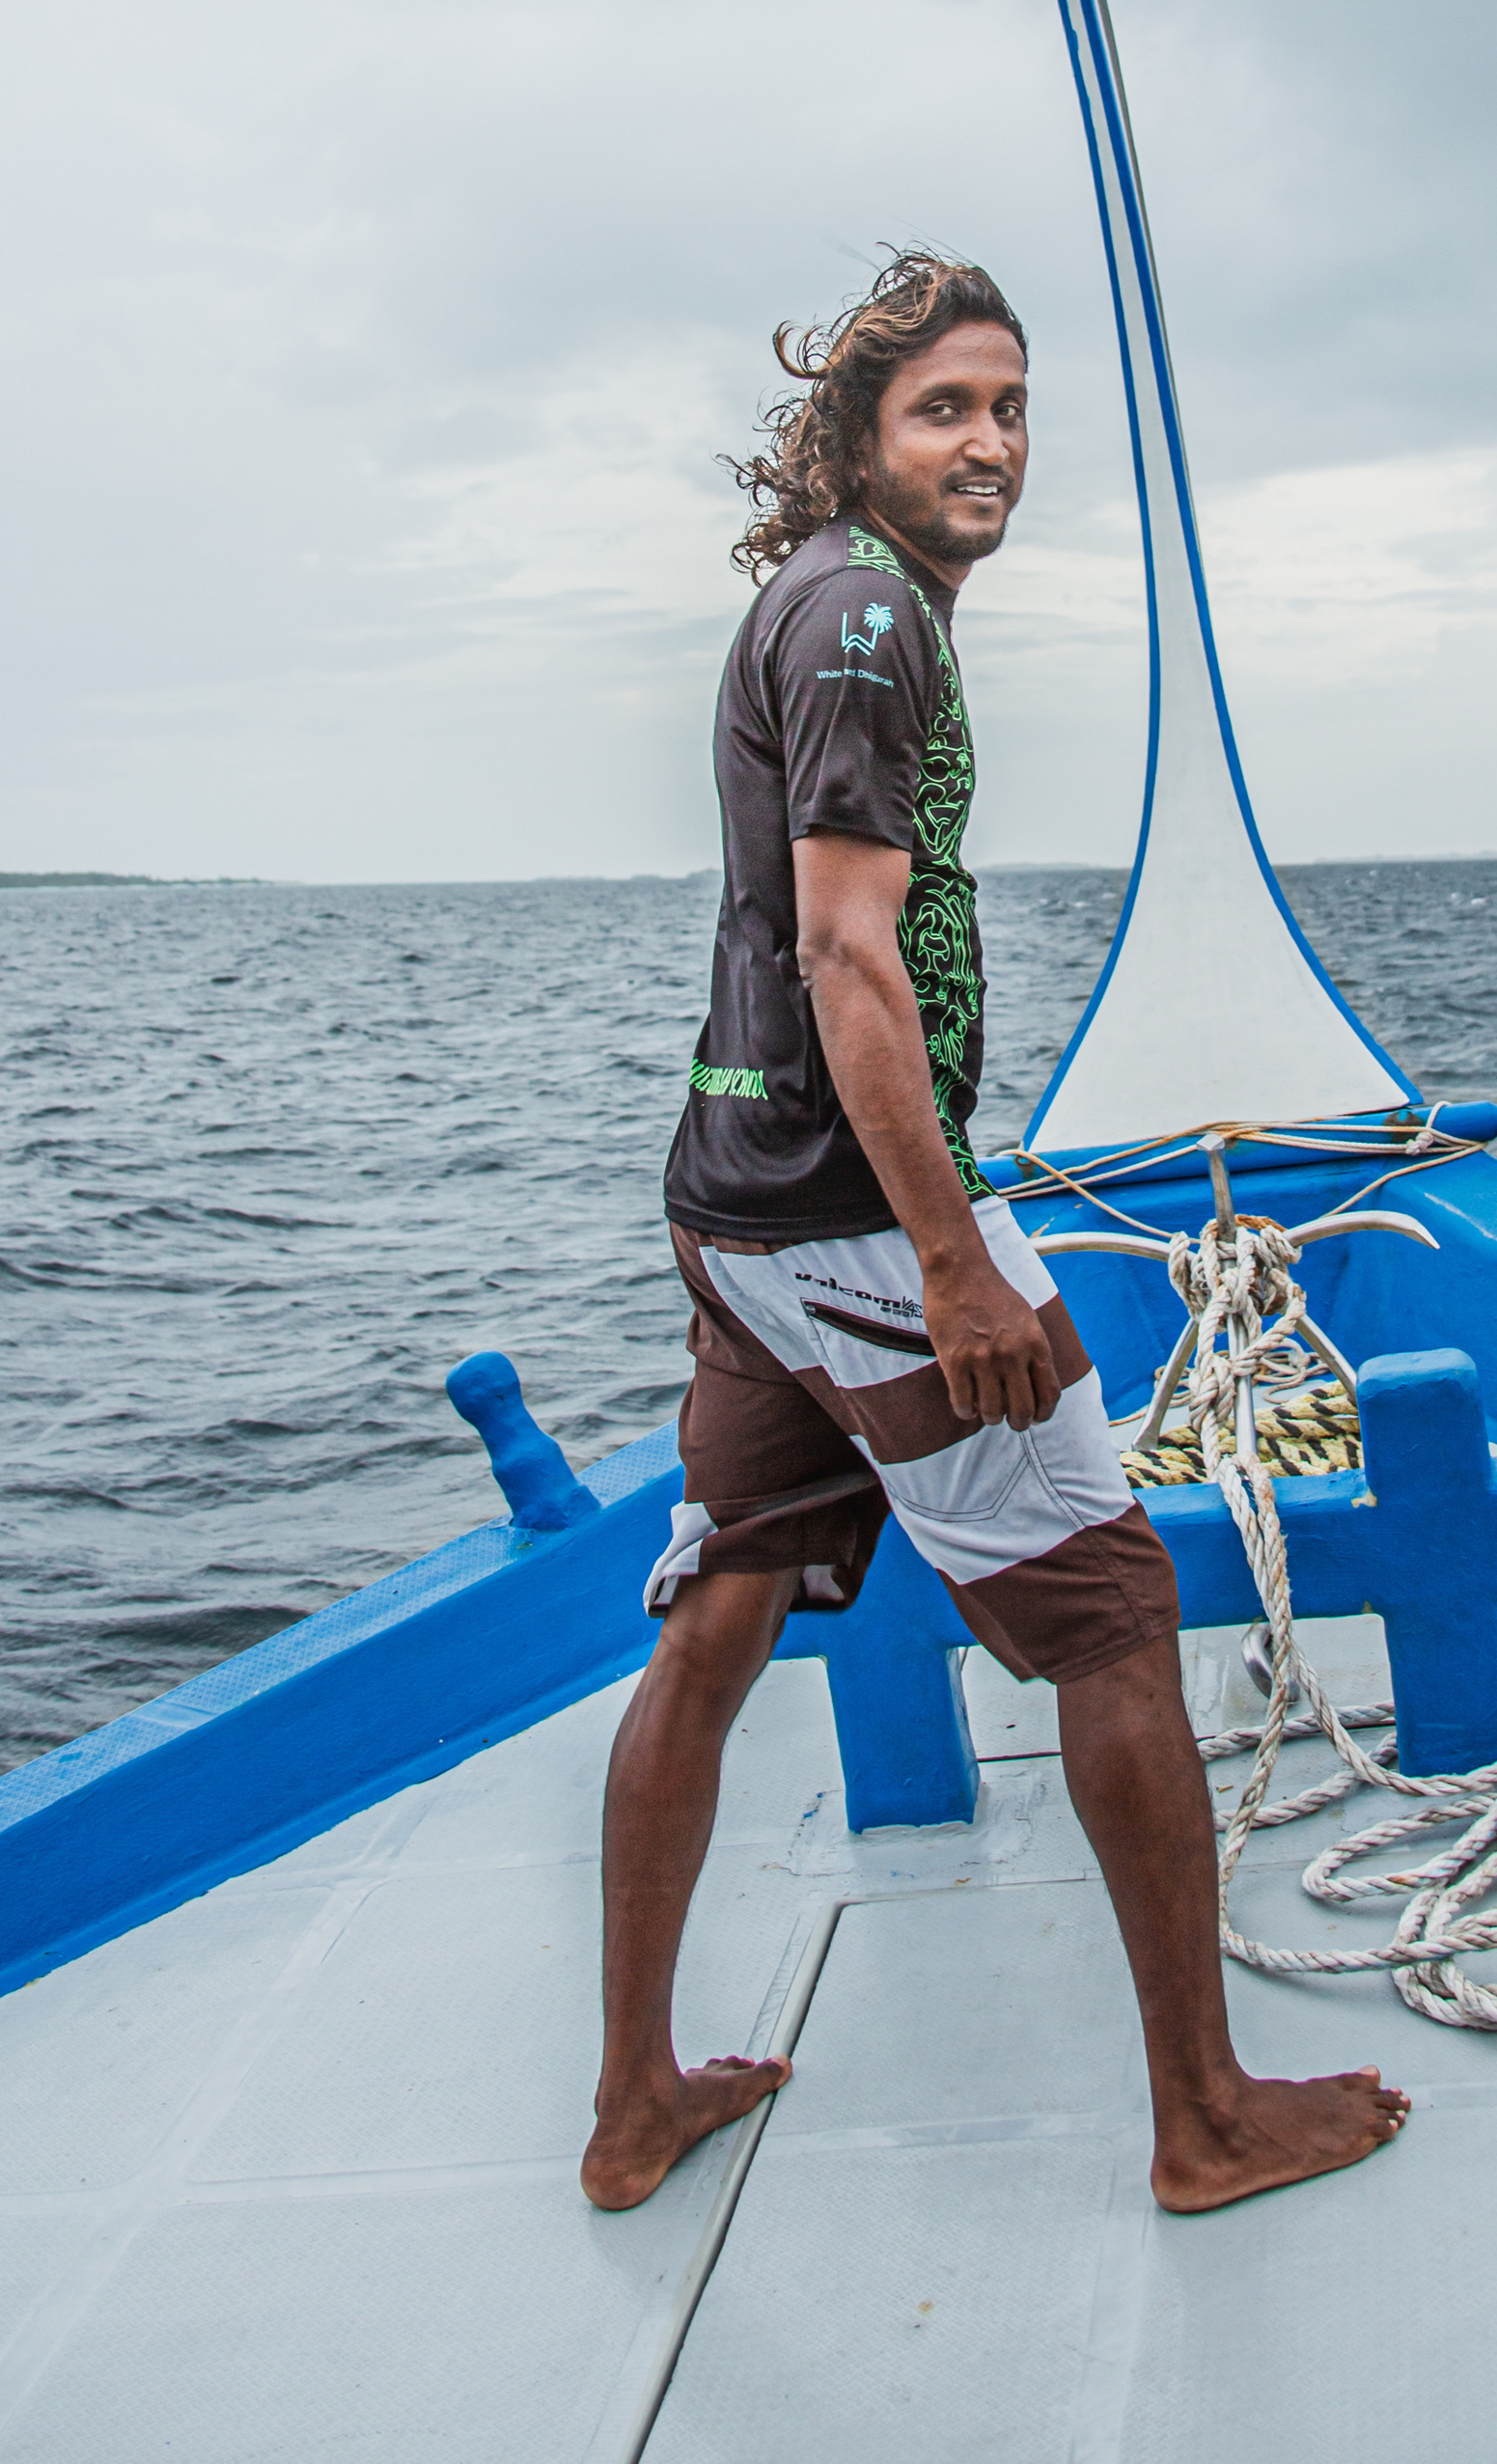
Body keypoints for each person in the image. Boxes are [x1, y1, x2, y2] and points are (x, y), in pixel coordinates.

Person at [581, 249, 1409, 2215]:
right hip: (861, 1236)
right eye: (945, 407)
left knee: (718, 1616)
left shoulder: (805, 601)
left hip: (738, 1213)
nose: (990, 443)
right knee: (1113, 1619)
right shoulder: (867, 619)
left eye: (1012, 406)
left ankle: (631, 2105)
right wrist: (953, 1262)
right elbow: (849, 955)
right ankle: (1202, 2119)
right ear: (860, 435)